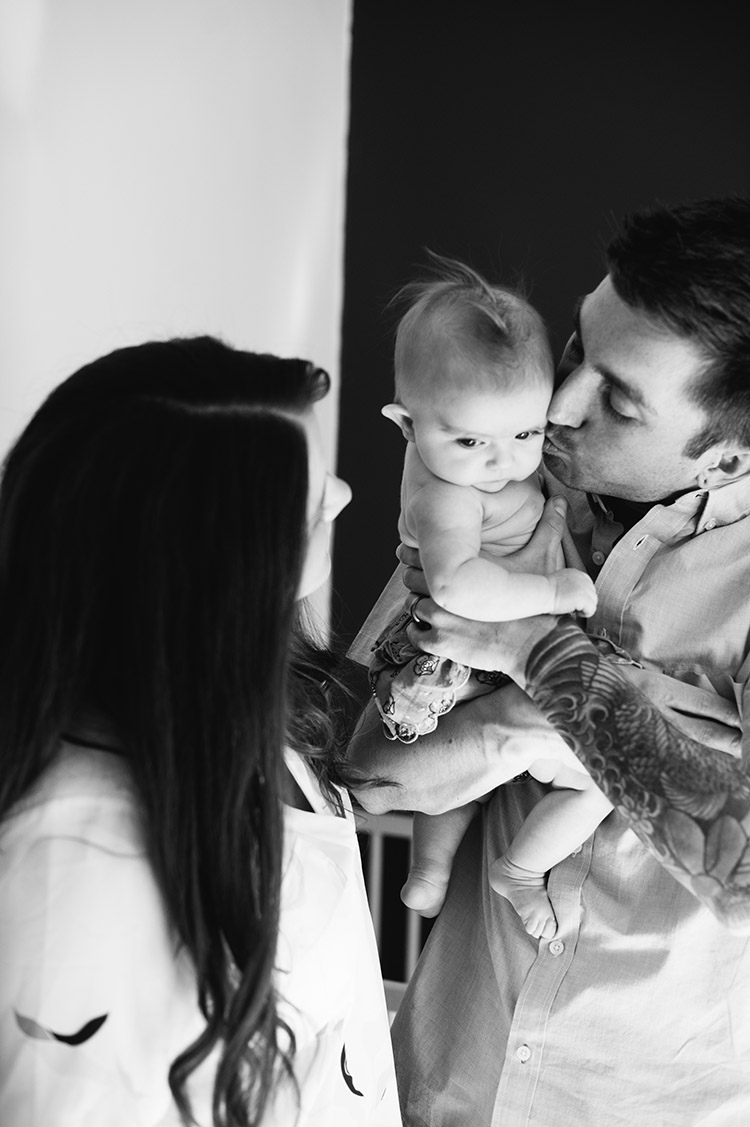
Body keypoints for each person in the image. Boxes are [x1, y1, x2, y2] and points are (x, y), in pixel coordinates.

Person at [347, 195, 750, 1126]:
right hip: (448, 1079)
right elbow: (368, 773)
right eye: (575, 346)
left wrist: (537, 651)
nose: (557, 406)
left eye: (616, 400)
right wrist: (516, 724)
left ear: (726, 461)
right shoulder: (501, 493)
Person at [0, 337, 402, 1127]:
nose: (348, 495)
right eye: (316, 494)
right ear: (225, 562)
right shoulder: (77, 879)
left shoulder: (273, 710)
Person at [368, 256, 603, 935]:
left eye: (526, 433)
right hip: (452, 657)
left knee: (473, 781)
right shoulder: (447, 494)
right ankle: (513, 869)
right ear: (407, 426)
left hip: (478, 657)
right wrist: (552, 585)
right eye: (472, 440)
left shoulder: (480, 469)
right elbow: (454, 585)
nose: (504, 460)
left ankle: (432, 872)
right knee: (595, 780)